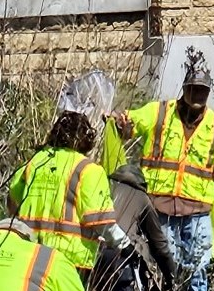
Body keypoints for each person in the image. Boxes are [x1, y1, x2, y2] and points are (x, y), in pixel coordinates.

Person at [115, 58, 214, 291]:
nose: (197, 95)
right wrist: (121, 123)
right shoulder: (160, 113)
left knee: (196, 271)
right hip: (157, 211)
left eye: (202, 91)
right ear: (184, 89)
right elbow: (131, 122)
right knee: (159, 268)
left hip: (197, 215)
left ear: (208, 93)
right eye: (193, 89)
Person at [9, 110, 129, 275]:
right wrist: (124, 243)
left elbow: (12, 199)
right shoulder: (88, 170)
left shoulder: (34, 162)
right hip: (69, 261)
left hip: (28, 254)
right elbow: (100, 220)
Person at [92, 164, 176, 291]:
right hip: (120, 256)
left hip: (89, 252)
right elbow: (159, 245)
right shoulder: (141, 198)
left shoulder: (100, 186)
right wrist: (170, 274)